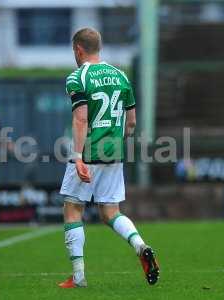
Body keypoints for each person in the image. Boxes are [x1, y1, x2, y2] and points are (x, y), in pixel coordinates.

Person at [58, 28, 160, 288]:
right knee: (110, 212)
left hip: (89, 151)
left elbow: (80, 118)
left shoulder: (77, 77)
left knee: (73, 209)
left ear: (78, 50)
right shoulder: (121, 76)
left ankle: (79, 275)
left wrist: (78, 156)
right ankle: (140, 245)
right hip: (114, 151)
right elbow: (132, 123)